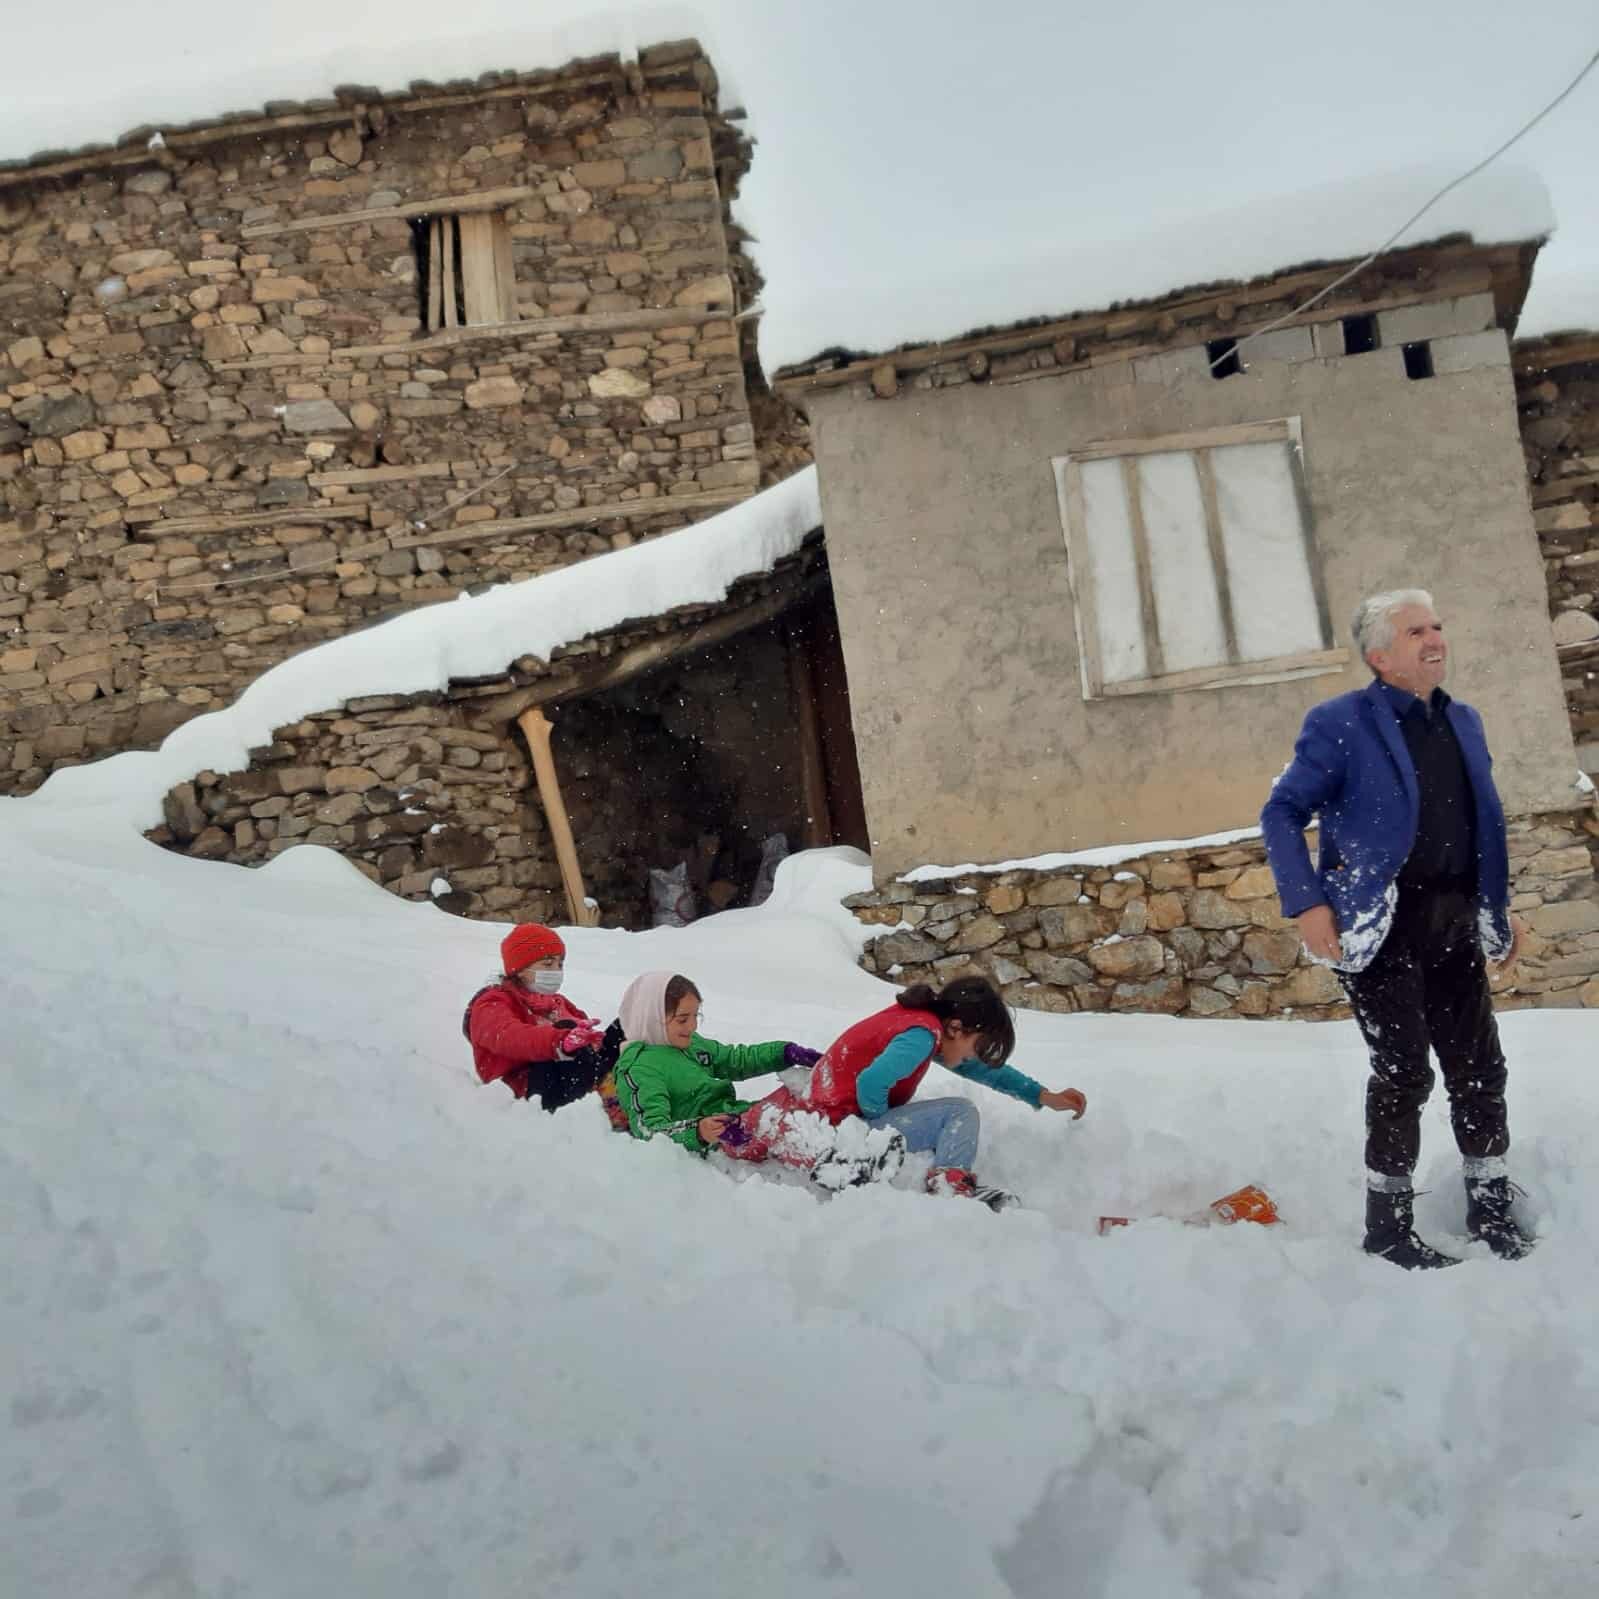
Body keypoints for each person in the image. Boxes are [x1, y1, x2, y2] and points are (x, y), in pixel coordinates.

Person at [1260, 588, 1533, 1269]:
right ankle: (1387, 1229)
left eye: (1437, 624)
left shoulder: (1463, 720)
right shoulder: (1341, 722)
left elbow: (1477, 825)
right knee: (1404, 1072)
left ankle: (1490, 1205)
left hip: (1452, 917)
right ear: (1380, 656)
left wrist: (1497, 905)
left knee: (1479, 1068)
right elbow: (1282, 810)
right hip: (1380, 925)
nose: (1434, 637)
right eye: (1416, 630)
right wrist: (1307, 902)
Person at [797, 977, 1087, 1210]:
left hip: (827, 1120)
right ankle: (951, 1184)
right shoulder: (921, 1035)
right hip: (843, 1132)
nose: (973, 1057)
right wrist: (877, 1140)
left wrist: (1042, 1095)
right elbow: (871, 1083)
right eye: (977, 1047)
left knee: (954, 1111)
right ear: (956, 1028)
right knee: (959, 1112)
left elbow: (984, 1071)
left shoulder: (922, 1025)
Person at [612, 972, 901, 1186]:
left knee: (800, 1094)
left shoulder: (689, 1043)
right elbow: (649, 1132)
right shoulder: (639, 1067)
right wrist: (699, 1131)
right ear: (651, 1017)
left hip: (735, 1119)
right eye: (682, 1019)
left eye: (695, 1016)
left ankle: (854, 1139)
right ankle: (842, 1168)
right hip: (718, 1141)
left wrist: (784, 1053)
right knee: (774, 1122)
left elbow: (734, 1060)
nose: (692, 1026)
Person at [463, 923, 623, 1117]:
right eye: (548, 964)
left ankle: (632, 1087)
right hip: (526, 1086)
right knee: (568, 1028)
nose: (556, 971)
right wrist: (560, 1041)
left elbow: (581, 1032)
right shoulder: (492, 1002)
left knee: (621, 1029)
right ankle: (611, 1103)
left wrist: (592, 1041)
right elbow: (511, 1037)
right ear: (520, 969)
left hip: (568, 1076)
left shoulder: (556, 1001)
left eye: (560, 964)